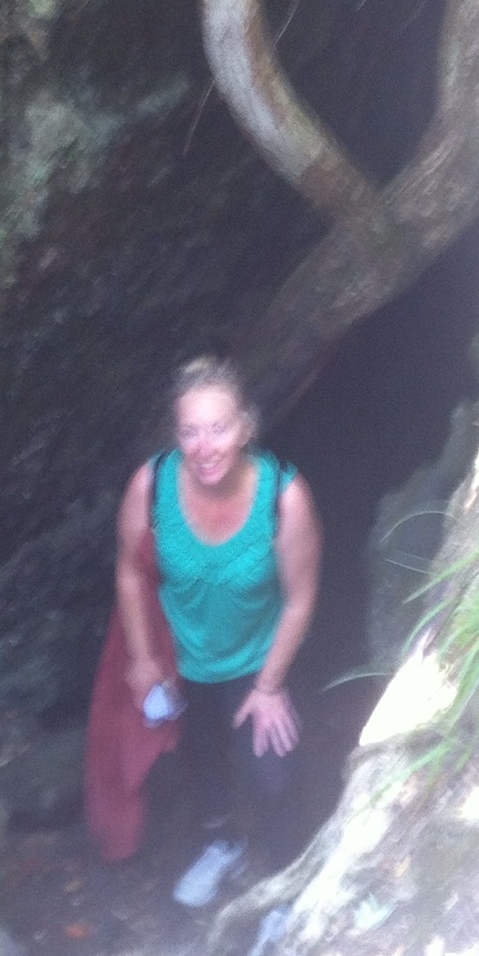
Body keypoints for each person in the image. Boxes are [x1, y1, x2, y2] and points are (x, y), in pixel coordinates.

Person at [113, 356, 321, 907]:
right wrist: (142, 658)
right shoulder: (151, 484)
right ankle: (223, 844)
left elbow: (300, 600)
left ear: (246, 427)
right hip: (182, 658)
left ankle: (286, 887)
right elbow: (130, 570)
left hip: (257, 658)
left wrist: (270, 686)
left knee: (273, 773)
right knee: (198, 759)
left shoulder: (283, 497)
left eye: (219, 428)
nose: (205, 447)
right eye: (191, 432)